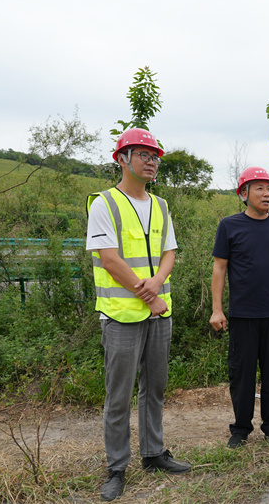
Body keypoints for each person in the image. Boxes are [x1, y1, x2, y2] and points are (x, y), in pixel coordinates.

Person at [86, 128, 191, 502]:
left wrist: (158, 283)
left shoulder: (161, 205)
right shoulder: (104, 203)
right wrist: (149, 296)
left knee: (155, 388)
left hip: (159, 314)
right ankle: (116, 467)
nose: (151, 162)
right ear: (122, 159)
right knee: (118, 395)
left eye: (155, 156)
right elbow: (109, 260)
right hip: (120, 315)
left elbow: (169, 253)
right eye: (143, 154)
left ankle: (153, 453)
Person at [209, 166, 269, 449]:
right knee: (242, 374)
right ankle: (241, 429)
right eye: (259, 188)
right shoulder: (229, 226)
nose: (266, 194)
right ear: (244, 193)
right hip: (243, 314)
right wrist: (217, 309)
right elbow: (219, 268)